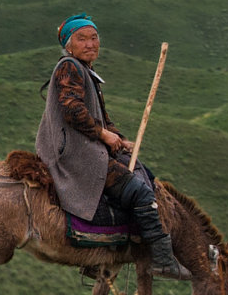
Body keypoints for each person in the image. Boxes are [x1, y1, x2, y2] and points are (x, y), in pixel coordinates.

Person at [36, 14, 192, 279]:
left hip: (87, 148)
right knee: (140, 193)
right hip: (76, 154)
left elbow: (102, 118)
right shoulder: (69, 67)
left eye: (94, 38)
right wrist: (103, 136)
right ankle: (163, 260)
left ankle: (104, 253)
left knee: (145, 175)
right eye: (81, 39)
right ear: (68, 45)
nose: (90, 44)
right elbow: (72, 110)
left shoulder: (85, 71)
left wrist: (117, 138)